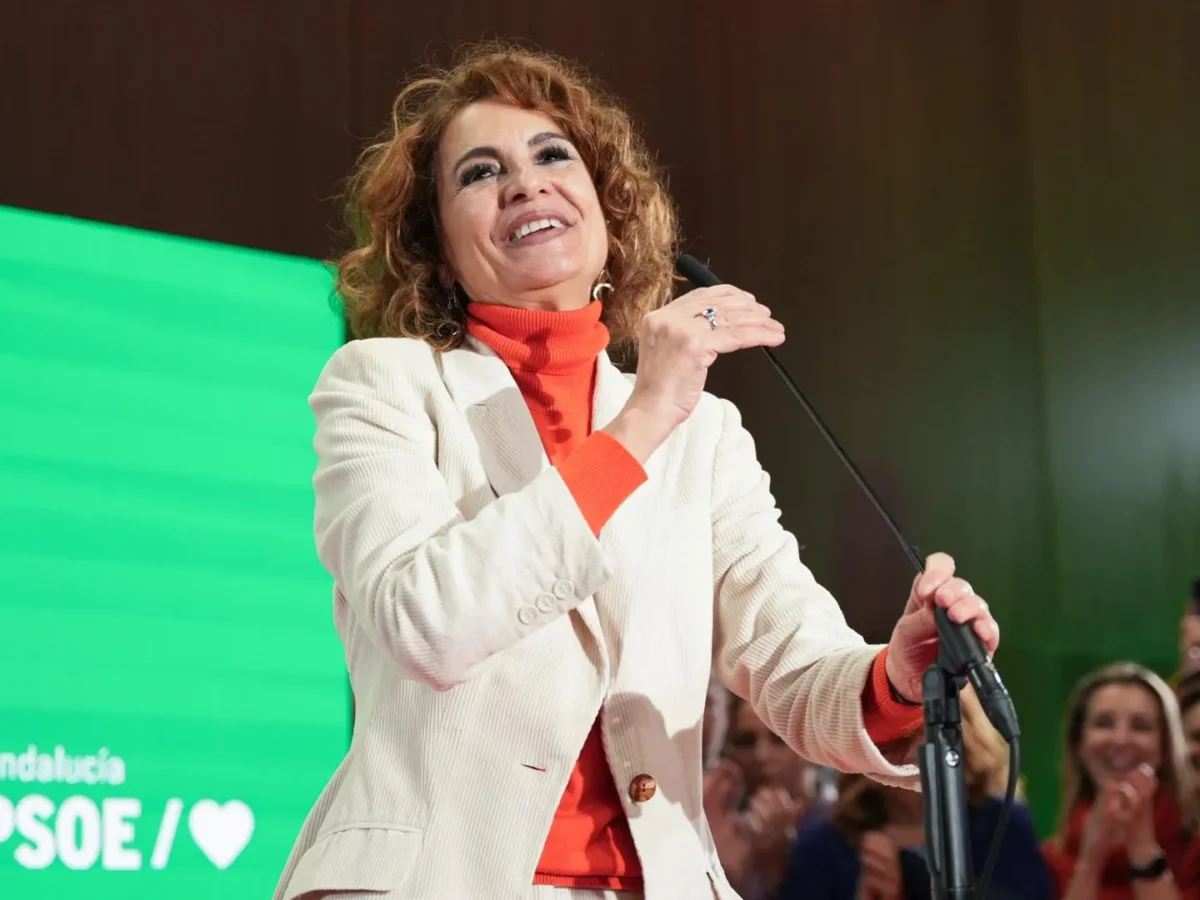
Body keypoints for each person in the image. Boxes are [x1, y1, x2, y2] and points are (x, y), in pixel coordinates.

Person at [272, 43, 1002, 900]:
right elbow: (426, 621)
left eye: (553, 156)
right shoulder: (385, 385)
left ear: (608, 212)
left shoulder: (709, 436)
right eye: (480, 172)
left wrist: (895, 675)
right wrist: (643, 417)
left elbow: (790, 658)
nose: (526, 183)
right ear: (435, 247)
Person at [780, 684, 1049, 900]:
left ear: (960, 733)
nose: (889, 739)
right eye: (877, 724)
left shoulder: (1004, 825)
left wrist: (913, 880)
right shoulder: (824, 841)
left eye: (915, 724)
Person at [1042, 663, 1200, 900]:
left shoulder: (1193, 853)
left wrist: (1142, 846)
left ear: (1166, 746)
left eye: (1141, 726)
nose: (1121, 739)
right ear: (1079, 744)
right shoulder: (1048, 859)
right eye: (1104, 723)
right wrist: (1090, 861)